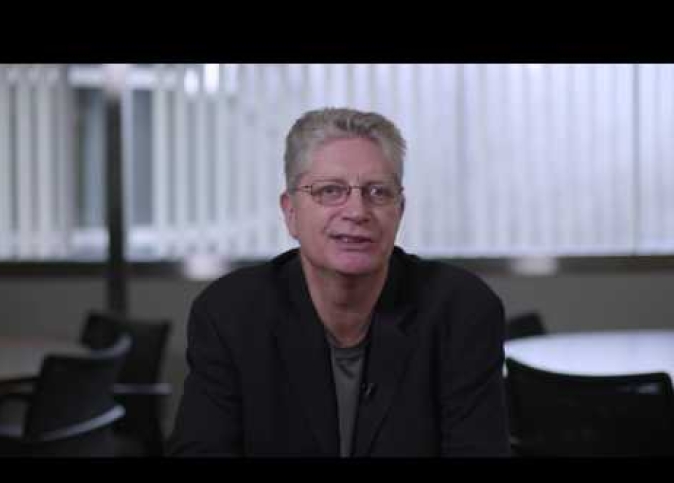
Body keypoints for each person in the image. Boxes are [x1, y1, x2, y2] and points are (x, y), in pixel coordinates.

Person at [168, 107, 511, 457]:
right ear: (290, 212)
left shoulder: (461, 310)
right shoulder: (230, 314)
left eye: (378, 192)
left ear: (399, 211)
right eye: (330, 191)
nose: (357, 212)